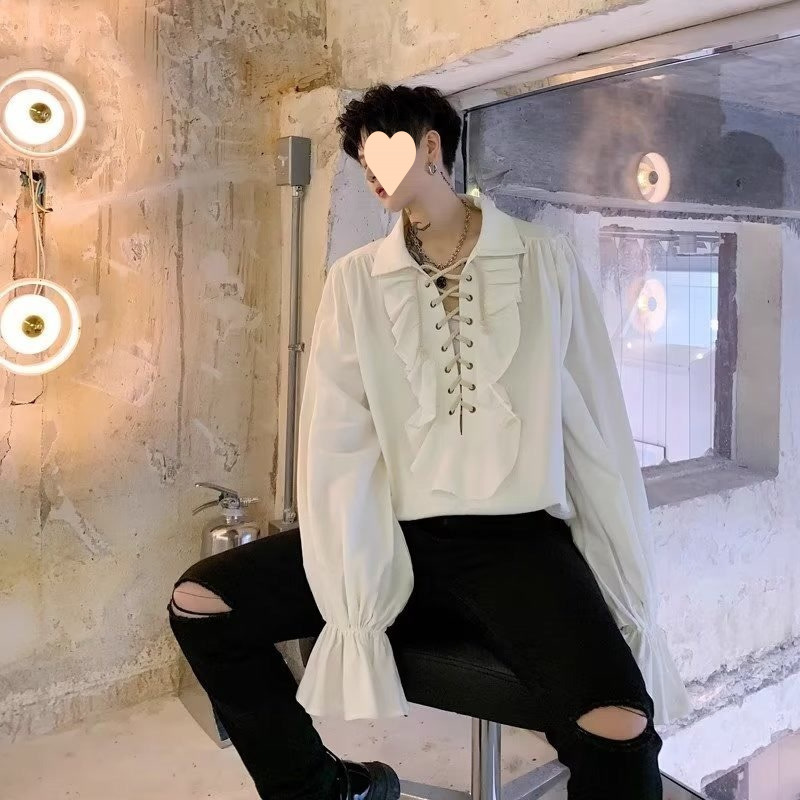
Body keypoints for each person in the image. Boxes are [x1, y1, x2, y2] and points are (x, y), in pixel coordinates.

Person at [167, 83, 692, 800]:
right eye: (363, 165)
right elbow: (339, 437)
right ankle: (322, 790)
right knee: (202, 601)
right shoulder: (357, 281)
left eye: (379, 155)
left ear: (431, 145)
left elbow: (593, 427)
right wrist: (351, 569)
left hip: (519, 545)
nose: (373, 176)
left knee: (619, 729)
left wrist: (627, 581)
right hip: (393, 536)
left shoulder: (543, 259)